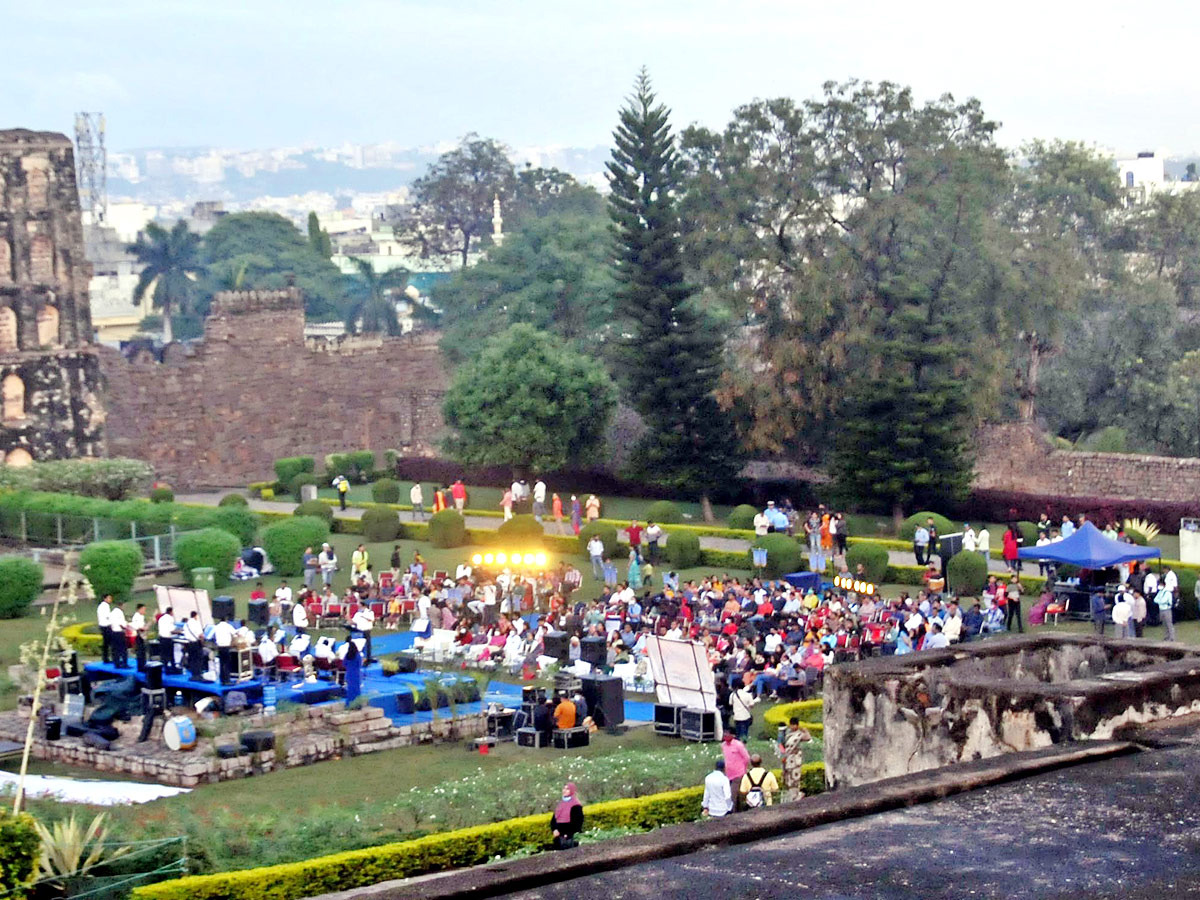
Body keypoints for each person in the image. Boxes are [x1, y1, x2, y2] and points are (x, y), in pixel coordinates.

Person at [779, 717, 813, 802]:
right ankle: (791, 795)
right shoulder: (787, 733)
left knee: (795, 777)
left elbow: (808, 738)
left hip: (795, 758)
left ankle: (796, 795)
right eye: (791, 725)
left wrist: (805, 730)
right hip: (788, 758)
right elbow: (781, 744)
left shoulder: (799, 734)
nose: (792, 727)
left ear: (797, 725)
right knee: (787, 777)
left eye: (794, 725)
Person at [721, 731, 751, 809]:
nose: (725, 736)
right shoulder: (723, 745)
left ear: (732, 735)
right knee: (735, 796)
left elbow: (746, 758)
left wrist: (742, 769)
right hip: (728, 775)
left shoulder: (738, 745)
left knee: (733, 797)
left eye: (727, 734)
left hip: (738, 774)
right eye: (724, 734)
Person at [550, 783, 584, 849]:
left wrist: (566, 833)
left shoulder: (576, 805)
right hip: (559, 837)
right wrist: (554, 829)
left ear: (572, 791)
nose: (564, 790)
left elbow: (577, 823)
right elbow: (554, 819)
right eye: (564, 788)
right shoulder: (561, 804)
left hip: (570, 838)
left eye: (567, 789)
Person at [109, 600, 129, 669]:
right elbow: (122, 624)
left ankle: (116, 664)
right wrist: (127, 627)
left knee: (115, 649)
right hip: (119, 632)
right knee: (123, 649)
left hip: (113, 632)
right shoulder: (120, 612)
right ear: (121, 605)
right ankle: (124, 664)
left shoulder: (112, 612)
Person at [130, 602, 149, 670]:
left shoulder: (141, 617)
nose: (144, 611)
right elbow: (137, 626)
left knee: (143, 651)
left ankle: (143, 664)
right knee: (140, 651)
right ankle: (141, 666)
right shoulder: (136, 617)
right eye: (143, 609)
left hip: (141, 635)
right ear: (139, 609)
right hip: (137, 635)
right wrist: (144, 628)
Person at [96, 594, 113, 664]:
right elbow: (108, 616)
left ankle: (106, 658)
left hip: (103, 626)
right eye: (109, 598)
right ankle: (107, 658)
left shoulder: (101, 606)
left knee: (106, 643)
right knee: (109, 643)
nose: (110, 600)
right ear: (105, 599)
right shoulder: (105, 606)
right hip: (106, 626)